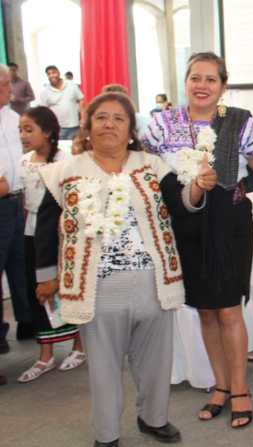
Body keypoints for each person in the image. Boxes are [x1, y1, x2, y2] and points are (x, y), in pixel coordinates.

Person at [34, 92, 212, 447]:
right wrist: (46, 277)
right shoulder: (66, 171)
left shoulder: (150, 165)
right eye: (101, 117)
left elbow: (180, 203)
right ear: (88, 125)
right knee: (102, 368)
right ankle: (107, 434)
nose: (109, 124)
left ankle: (154, 419)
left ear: (131, 129)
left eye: (119, 118)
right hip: (96, 287)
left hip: (153, 281)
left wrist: (196, 188)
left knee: (156, 362)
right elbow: (44, 227)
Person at [143, 52, 253, 429]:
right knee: (204, 308)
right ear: (184, 82)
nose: (201, 85)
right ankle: (219, 385)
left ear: (223, 85)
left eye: (210, 79)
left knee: (229, 309)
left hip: (229, 221)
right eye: (194, 78)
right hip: (182, 222)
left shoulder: (239, 121)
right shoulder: (161, 124)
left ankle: (239, 389)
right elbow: (144, 169)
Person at [17, 106, 86, 383]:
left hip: (60, 235)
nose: (23, 135)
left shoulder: (64, 160)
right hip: (31, 233)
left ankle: (79, 345)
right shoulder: (24, 162)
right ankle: (45, 354)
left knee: (67, 288)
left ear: (47, 132)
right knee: (37, 290)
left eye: (29, 129)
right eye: (21, 130)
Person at [0, 64, 33, 367]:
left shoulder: (14, 119)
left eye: (9, 84)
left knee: (20, 263)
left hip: (17, 200)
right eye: (4, 85)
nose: (10, 91)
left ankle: (27, 319)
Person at [37, 65, 84, 140]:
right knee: (60, 150)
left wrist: (83, 117)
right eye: (49, 74)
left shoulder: (71, 85)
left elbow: (81, 100)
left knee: (76, 149)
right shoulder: (45, 92)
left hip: (74, 126)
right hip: (57, 129)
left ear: (58, 73)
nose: (52, 75)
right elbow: (43, 111)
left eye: (54, 72)